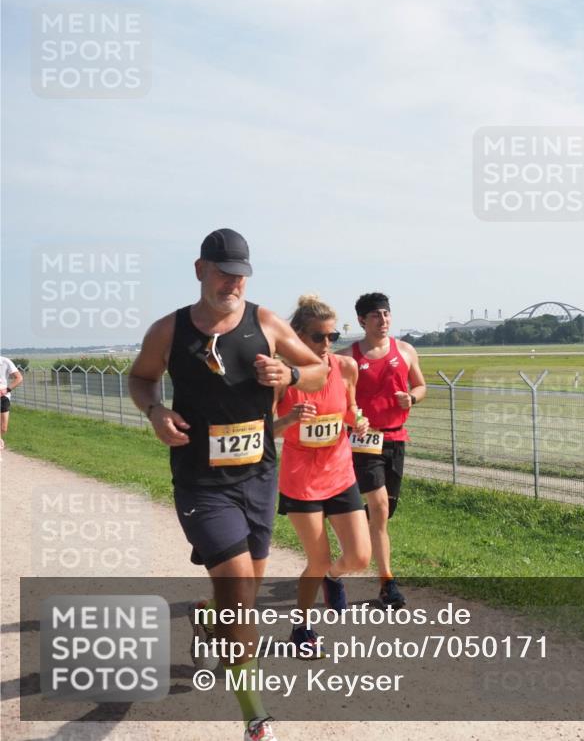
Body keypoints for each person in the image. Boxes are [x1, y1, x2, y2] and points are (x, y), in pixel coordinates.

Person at [128, 229, 327, 741]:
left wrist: (286, 375)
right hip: (201, 481)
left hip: (259, 476)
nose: (233, 283)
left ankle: (207, 621)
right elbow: (140, 377)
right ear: (200, 270)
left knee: (245, 595)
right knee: (239, 587)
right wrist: (155, 410)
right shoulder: (169, 331)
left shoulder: (264, 321)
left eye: (240, 275)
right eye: (223, 273)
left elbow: (317, 370)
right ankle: (255, 716)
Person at [273, 294, 371, 654]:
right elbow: (264, 431)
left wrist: (358, 422)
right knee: (316, 559)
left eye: (333, 336)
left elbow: (349, 410)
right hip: (301, 478)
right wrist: (289, 419)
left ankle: (334, 577)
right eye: (318, 337)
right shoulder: (282, 376)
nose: (327, 344)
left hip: (340, 472)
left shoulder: (345, 368)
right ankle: (302, 628)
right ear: (297, 335)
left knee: (360, 558)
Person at [338, 292, 426, 607]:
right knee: (379, 508)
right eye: (376, 315)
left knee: (387, 511)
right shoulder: (348, 358)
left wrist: (412, 398)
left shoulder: (406, 350)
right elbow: (338, 401)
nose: (383, 320)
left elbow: (421, 385)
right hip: (363, 440)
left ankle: (350, 528)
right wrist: (353, 420)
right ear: (362, 320)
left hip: (396, 438)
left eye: (386, 313)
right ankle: (388, 584)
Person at [0, 355, 24, 450]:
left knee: (3, 428)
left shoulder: (5, 361)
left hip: (3, 396)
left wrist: (7, 390)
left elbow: (19, 378)